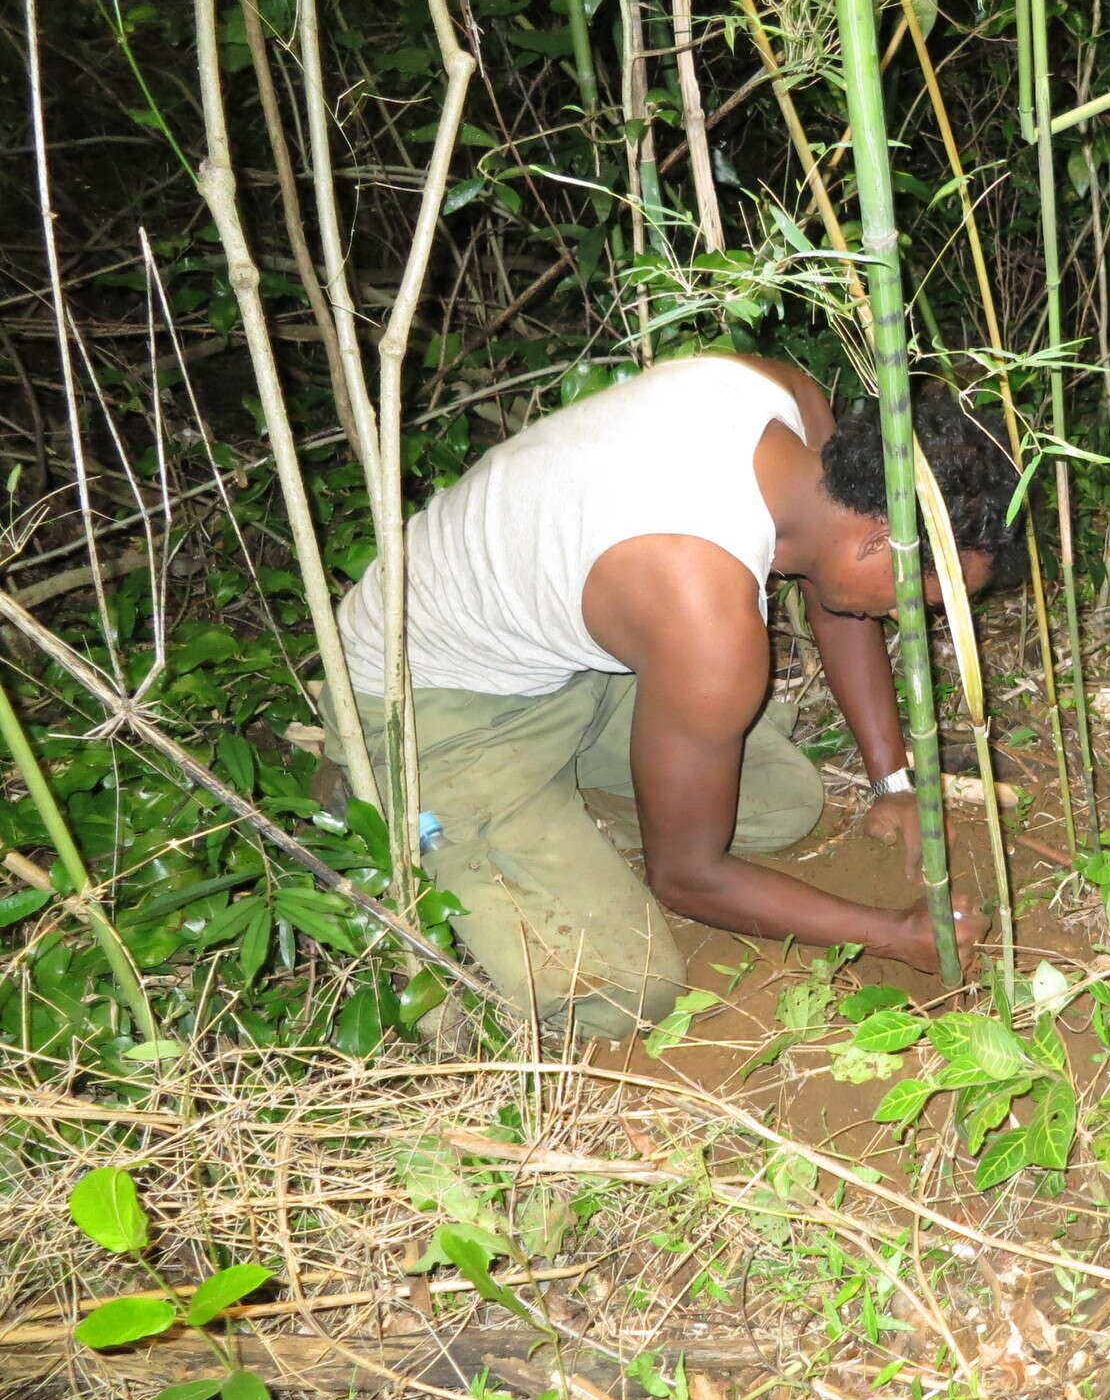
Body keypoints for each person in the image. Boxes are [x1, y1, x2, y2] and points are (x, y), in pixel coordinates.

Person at [328, 354, 1018, 1040]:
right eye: (918, 598)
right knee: (629, 990)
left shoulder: (783, 402)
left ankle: (560, 808)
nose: (909, 619)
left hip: (573, 661)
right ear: (879, 539)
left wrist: (891, 781)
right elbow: (688, 878)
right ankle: (397, 803)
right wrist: (892, 934)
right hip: (427, 700)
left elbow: (834, 597)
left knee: (784, 805)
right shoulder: (703, 619)